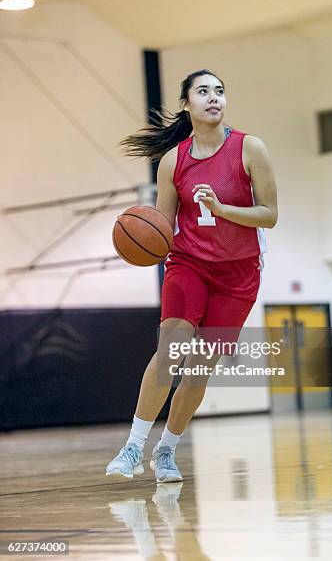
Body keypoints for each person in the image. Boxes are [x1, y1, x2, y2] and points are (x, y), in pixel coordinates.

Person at [106, 69, 278, 483]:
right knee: (170, 353)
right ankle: (132, 447)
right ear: (187, 103)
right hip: (189, 266)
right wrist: (138, 239)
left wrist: (223, 210)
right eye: (203, 91)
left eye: (220, 91)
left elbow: (269, 215)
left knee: (199, 369)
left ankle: (166, 451)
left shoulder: (250, 148)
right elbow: (163, 227)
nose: (213, 98)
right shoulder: (173, 160)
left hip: (238, 275)